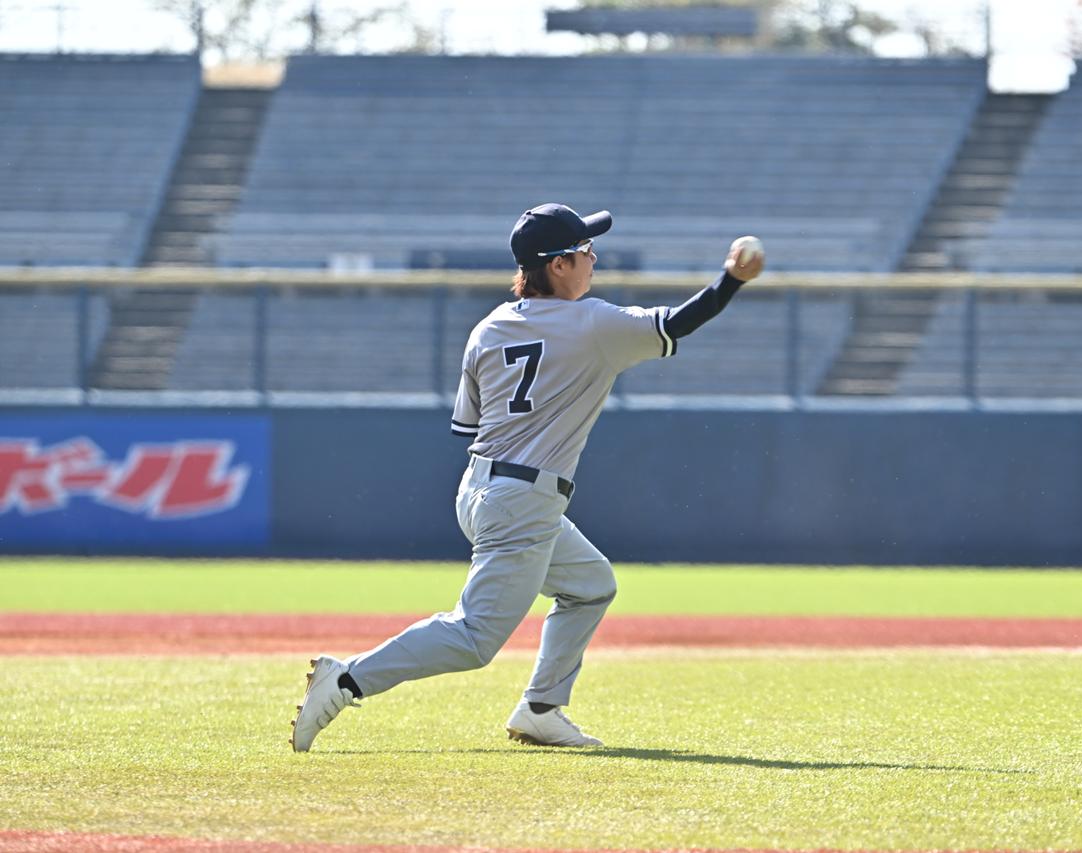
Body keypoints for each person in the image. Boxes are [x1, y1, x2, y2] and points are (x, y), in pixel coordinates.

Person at [290, 203, 765, 752]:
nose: (593, 259)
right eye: (585, 250)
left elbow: (469, 424)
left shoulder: (489, 326)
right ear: (558, 265)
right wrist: (731, 280)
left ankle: (540, 709)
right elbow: (678, 322)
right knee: (473, 637)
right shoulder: (593, 323)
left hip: (480, 489)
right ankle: (346, 679)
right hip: (522, 499)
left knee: (591, 586)